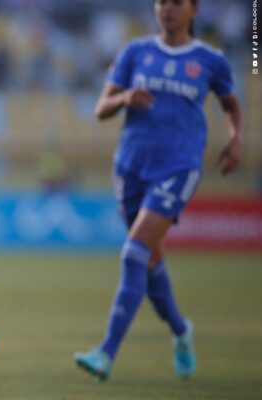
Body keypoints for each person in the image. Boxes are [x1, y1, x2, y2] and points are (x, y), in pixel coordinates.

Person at [74, 0, 243, 381]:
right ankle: (182, 330)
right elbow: (101, 107)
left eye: (177, 2)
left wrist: (235, 141)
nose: (168, 9)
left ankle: (105, 353)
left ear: (194, 10)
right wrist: (123, 98)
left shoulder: (210, 60)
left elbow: (232, 104)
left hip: (179, 167)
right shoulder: (136, 52)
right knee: (149, 262)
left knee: (134, 252)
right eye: (162, 2)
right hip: (131, 168)